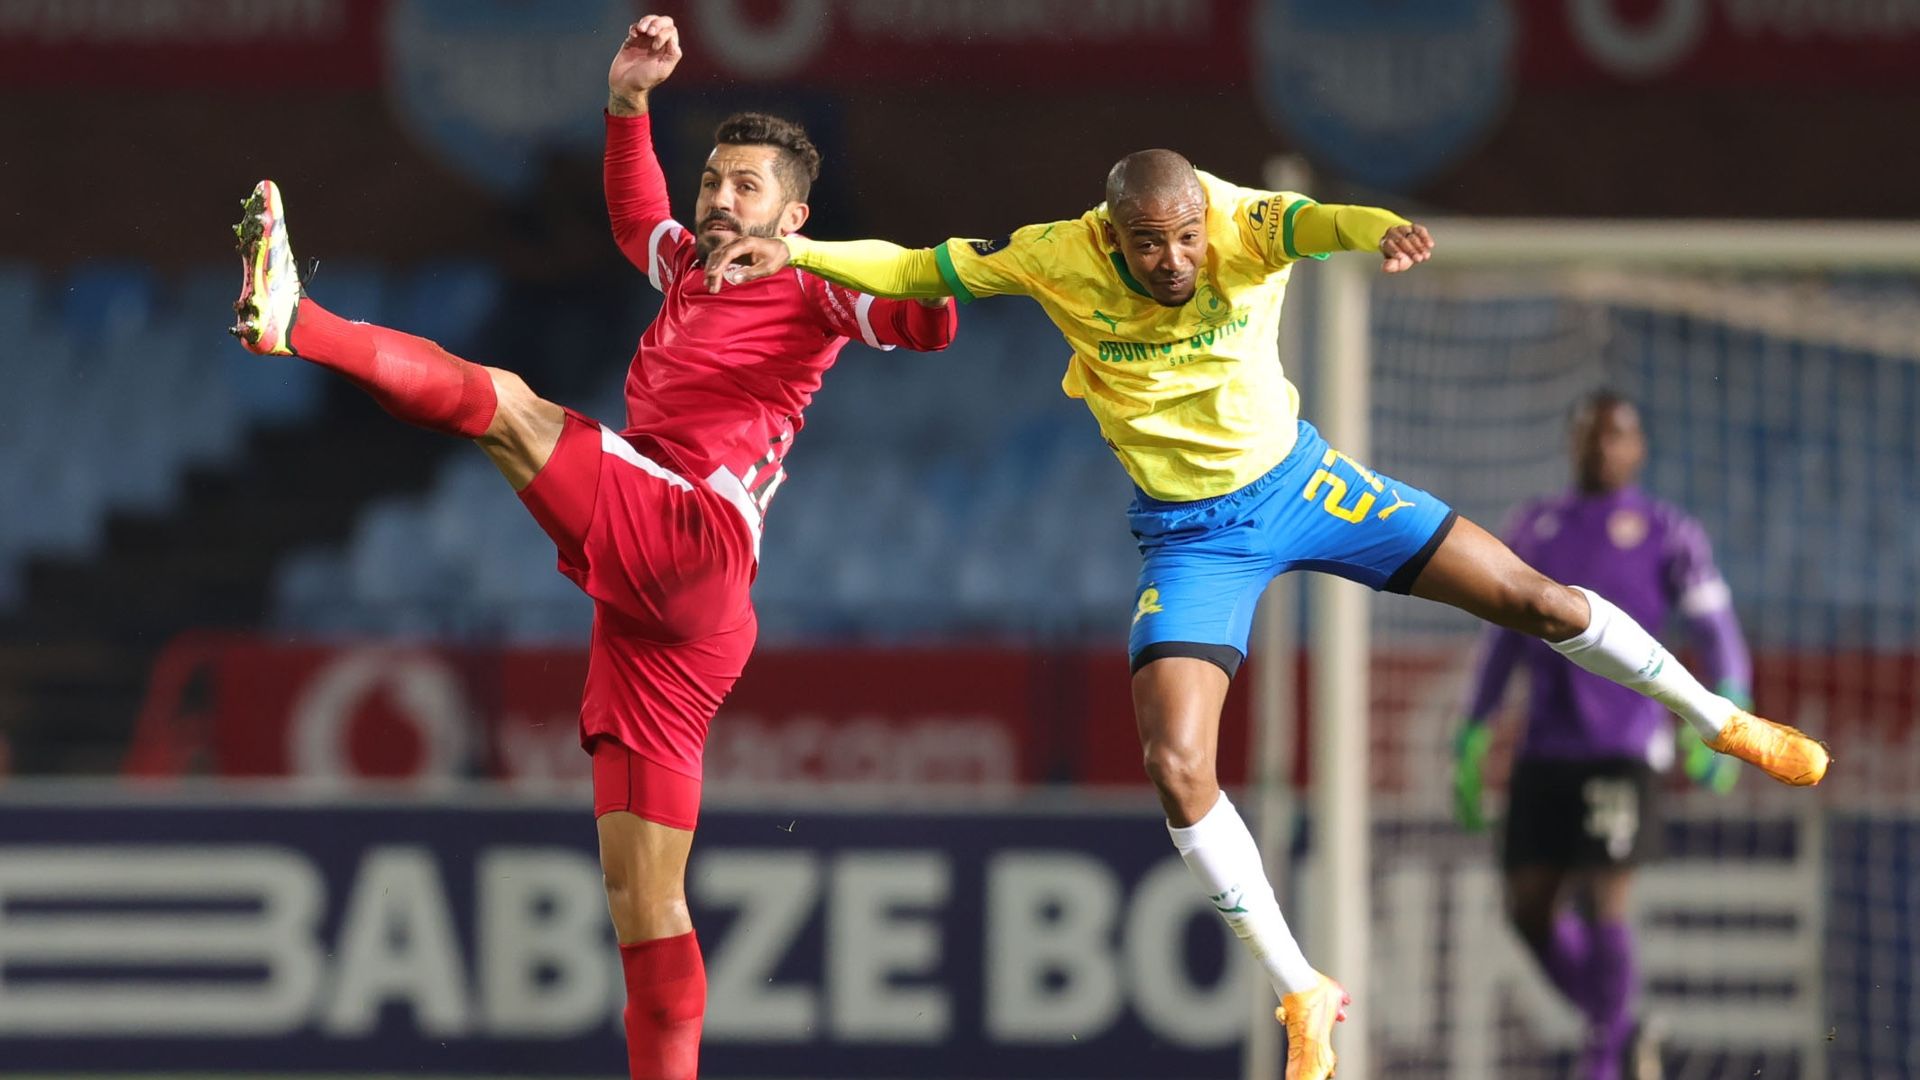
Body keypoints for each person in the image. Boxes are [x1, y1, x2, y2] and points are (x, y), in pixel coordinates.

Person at [701, 154, 1828, 1080]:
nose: (1179, 259)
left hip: (1310, 490)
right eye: (1153, 244)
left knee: (1531, 597)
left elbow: (1326, 217)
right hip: (1194, 540)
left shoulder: (1242, 225)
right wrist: (789, 249)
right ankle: (1304, 991)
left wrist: (1382, 228)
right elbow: (911, 266)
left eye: (1189, 237)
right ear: (1114, 235)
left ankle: (1713, 715)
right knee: (1176, 762)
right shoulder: (1056, 254)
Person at [227, 16, 956, 1079]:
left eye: (746, 188)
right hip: (681, 617)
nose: (719, 201)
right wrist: (627, 102)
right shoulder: (686, 270)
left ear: (794, 208)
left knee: (509, 408)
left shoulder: (813, 285)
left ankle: (297, 320)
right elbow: (636, 218)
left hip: (695, 536)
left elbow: (932, 320)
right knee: (642, 901)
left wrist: (804, 253)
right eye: (715, 180)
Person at [1453, 391, 1750, 1080]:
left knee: (1603, 897)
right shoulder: (1534, 527)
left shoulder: (1669, 533)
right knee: (1527, 912)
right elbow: (1501, 638)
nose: (1602, 446)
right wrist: (1473, 729)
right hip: (1544, 749)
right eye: (1590, 433)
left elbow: (1718, 631)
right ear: (1571, 442)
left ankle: (1602, 1061)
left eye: (1617, 435)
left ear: (1639, 448)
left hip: (1623, 749)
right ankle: (1618, 1028)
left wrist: (1728, 705)